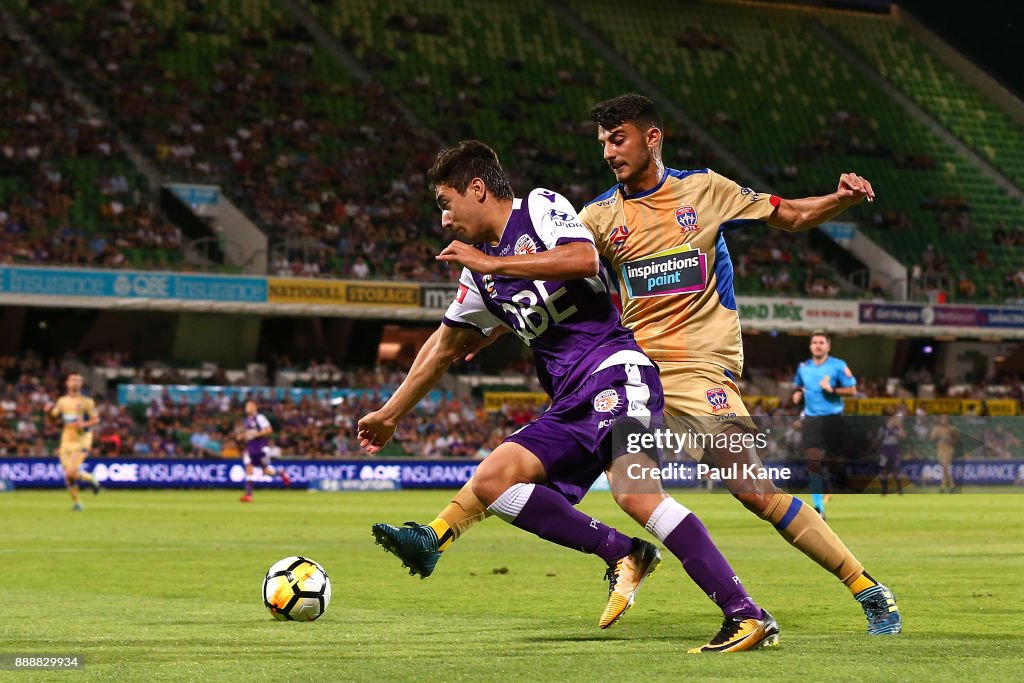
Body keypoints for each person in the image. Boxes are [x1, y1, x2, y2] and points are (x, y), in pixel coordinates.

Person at [375, 94, 899, 637]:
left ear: (653, 137)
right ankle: (439, 536)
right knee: (536, 475)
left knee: (753, 490)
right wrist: (493, 326)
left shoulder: (705, 190)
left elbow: (789, 214)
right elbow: (558, 282)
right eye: (602, 142)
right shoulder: (598, 216)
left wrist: (839, 200)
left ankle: (865, 587)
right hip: (627, 364)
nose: (607, 152)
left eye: (617, 138)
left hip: (697, 369)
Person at [361, 140, 778, 652]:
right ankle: (624, 552)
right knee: (494, 479)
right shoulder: (477, 274)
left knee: (637, 495)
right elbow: (442, 346)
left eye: (447, 203)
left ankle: (745, 614)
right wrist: (390, 413)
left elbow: (582, 258)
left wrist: (496, 267)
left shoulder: (538, 208)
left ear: (477, 189)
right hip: (569, 402)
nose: (444, 219)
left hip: (616, 373)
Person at [792, 330, 858, 518]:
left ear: (828, 346)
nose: (818, 345)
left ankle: (830, 479)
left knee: (833, 462)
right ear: (811, 346)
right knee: (813, 461)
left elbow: (853, 390)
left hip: (833, 418)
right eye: (815, 342)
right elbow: (799, 386)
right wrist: (797, 394)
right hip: (812, 419)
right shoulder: (803, 367)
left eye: (821, 342)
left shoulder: (838, 366)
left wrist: (833, 390)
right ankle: (819, 508)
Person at [48, 373, 101, 510]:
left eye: (78, 380)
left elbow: (96, 419)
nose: (75, 383)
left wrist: (84, 424)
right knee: (68, 476)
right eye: (73, 380)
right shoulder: (62, 401)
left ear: (82, 384)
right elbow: (53, 419)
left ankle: (89, 479)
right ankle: (78, 502)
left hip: (81, 441)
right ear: (67, 383)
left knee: (71, 472)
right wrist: (48, 412)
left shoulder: (87, 402)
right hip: (66, 441)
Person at [239, 400, 291, 502]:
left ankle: (281, 474)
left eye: (249, 406)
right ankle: (249, 495)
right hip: (251, 447)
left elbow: (269, 430)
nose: (247, 408)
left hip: (260, 447)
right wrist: (242, 436)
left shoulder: (260, 417)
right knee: (249, 467)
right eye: (246, 406)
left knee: (265, 471)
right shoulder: (247, 420)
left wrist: (256, 434)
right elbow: (249, 433)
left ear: (255, 407)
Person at [873, 406, 905, 496]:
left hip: (894, 449)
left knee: (895, 471)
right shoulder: (883, 428)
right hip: (885, 450)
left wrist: (899, 426)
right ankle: (884, 490)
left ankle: (899, 489)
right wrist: (872, 449)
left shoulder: (896, 428)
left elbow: (903, 436)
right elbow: (877, 440)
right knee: (884, 470)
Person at [929, 414, 958, 493]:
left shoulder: (951, 429)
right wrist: (935, 433)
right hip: (940, 449)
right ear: (940, 420)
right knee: (944, 468)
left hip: (949, 449)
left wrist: (950, 440)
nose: (944, 420)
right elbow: (931, 438)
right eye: (943, 419)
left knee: (945, 466)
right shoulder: (937, 429)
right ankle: (952, 485)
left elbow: (957, 439)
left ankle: (942, 486)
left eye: (946, 419)